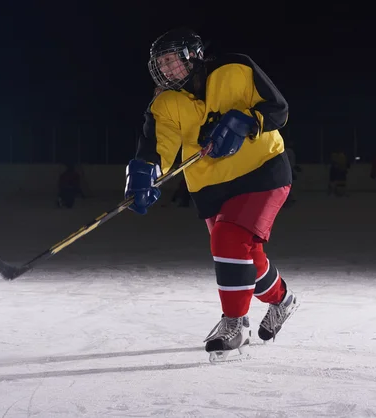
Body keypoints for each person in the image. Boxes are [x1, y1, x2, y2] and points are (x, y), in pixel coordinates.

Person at [123, 28, 298, 361]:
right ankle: (283, 300)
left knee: (228, 240)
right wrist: (144, 174)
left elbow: (278, 109)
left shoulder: (237, 69)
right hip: (210, 188)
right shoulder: (164, 103)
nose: (167, 69)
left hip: (262, 171)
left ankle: (235, 324)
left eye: (172, 60)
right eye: (161, 64)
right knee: (247, 258)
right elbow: (157, 149)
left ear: (194, 55)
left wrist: (247, 120)